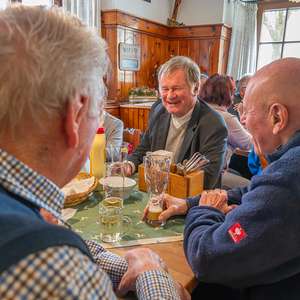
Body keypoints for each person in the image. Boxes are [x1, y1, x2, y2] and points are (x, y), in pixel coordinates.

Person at [0, 4, 188, 300]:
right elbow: (63, 261)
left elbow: (69, 244)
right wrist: (152, 273)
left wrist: (129, 265)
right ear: (74, 115)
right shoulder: (58, 269)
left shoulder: (28, 215)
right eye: (95, 108)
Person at [143, 57, 300, 299]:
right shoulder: (287, 166)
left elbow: (206, 257)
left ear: (278, 117)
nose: (243, 120)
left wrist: (203, 210)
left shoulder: (288, 181)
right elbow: (255, 192)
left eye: (247, 111)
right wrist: (187, 203)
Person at [125, 56, 228, 190]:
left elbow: (206, 179)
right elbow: (145, 148)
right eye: (165, 89)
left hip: (192, 201)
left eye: (177, 88)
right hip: (157, 190)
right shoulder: (158, 110)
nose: (170, 96)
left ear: (195, 88)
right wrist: (129, 163)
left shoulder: (214, 125)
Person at [199, 74, 253, 189]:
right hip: (213, 177)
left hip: (197, 172)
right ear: (227, 95)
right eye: (232, 94)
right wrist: (242, 114)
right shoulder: (226, 118)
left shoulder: (200, 111)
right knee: (251, 187)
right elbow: (249, 145)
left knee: (237, 173)